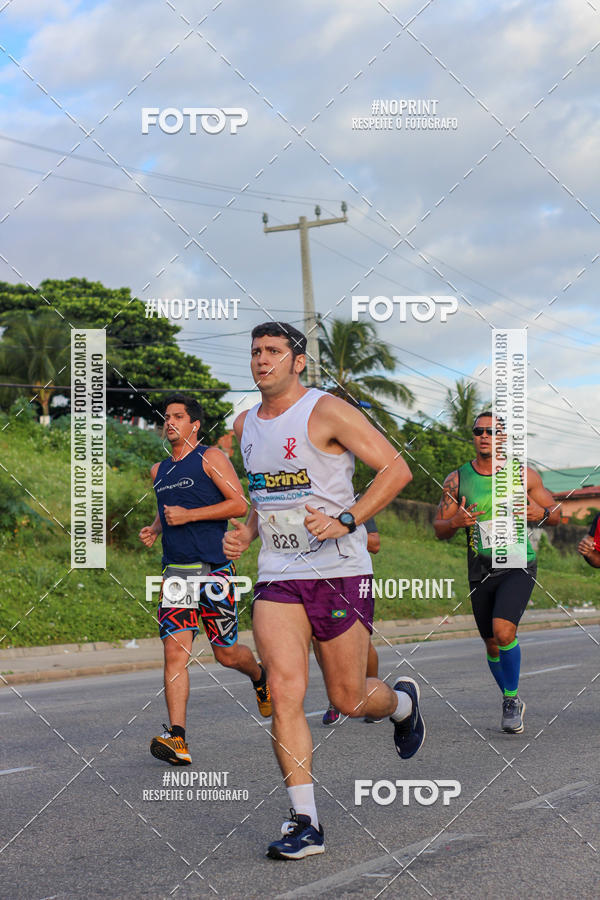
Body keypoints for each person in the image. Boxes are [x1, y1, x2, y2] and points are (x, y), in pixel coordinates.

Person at [223, 322, 424, 861]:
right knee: (285, 695)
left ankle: (402, 703)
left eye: (273, 351)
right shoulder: (244, 424)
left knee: (350, 698)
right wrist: (246, 527)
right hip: (277, 578)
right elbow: (261, 493)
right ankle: (304, 820)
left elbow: (395, 469)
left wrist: (348, 517)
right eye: (255, 352)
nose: (262, 360)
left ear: (297, 362)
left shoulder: (326, 410)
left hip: (338, 571)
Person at [139, 393, 272, 767]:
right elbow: (167, 512)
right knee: (173, 654)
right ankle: (177, 738)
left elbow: (239, 505)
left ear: (194, 424)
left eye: (178, 417)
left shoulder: (210, 458)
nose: (170, 422)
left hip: (214, 572)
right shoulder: (159, 470)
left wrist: (190, 516)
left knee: (226, 653)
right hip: (176, 574)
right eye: (166, 417)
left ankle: (259, 675)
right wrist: (154, 527)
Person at [434, 411, 560, 734]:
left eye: (492, 431)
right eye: (479, 431)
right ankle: (511, 697)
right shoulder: (457, 479)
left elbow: (558, 514)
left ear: (503, 437)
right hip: (480, 567)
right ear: (473, 436)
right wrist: (454, 523)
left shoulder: (523, 475)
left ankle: (510, 699)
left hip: (518, 563)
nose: (485, 436)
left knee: (504, 631)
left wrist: (540, 513)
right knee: (491, 643)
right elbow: (439, 528)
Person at [320, 515, 382, 726]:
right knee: (320, 639)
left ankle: (372, 692)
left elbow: (375, 544)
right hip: (316, 577)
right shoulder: (306, 497)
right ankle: (335, 697)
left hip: (352, 576)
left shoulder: (355, 502)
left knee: (359, 641)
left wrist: (339, 528)